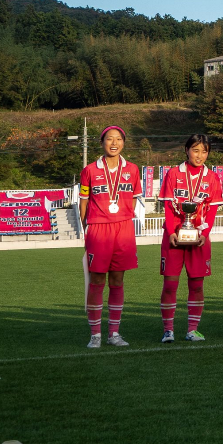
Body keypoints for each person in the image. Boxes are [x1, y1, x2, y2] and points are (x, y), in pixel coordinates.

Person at [157, 133, 223, 341]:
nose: (200, 155)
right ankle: (168, 330)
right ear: (186, 150)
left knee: (196, 285)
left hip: (199, 238)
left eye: (204, 151)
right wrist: (171, 232)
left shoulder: (212, 177)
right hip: (174, 237)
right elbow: (169, 207)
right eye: (195, 150)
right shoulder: (173, 174)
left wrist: (205, 234)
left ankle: (192, 329)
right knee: (170, 284)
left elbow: (212, 211)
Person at [79, 125, 140, 347]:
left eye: (118, 139)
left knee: (117, 280)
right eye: (109, 139)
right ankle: (95, 335)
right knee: (96, 281)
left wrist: (124, 215)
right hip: (98, 228)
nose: (114, 143)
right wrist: (86, 229)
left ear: (123, 142)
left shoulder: (132, 169)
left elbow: (134, 198)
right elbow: (83, 202)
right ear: (102, 142)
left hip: (123, 229)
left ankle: (114, 333)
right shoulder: (89, 170)